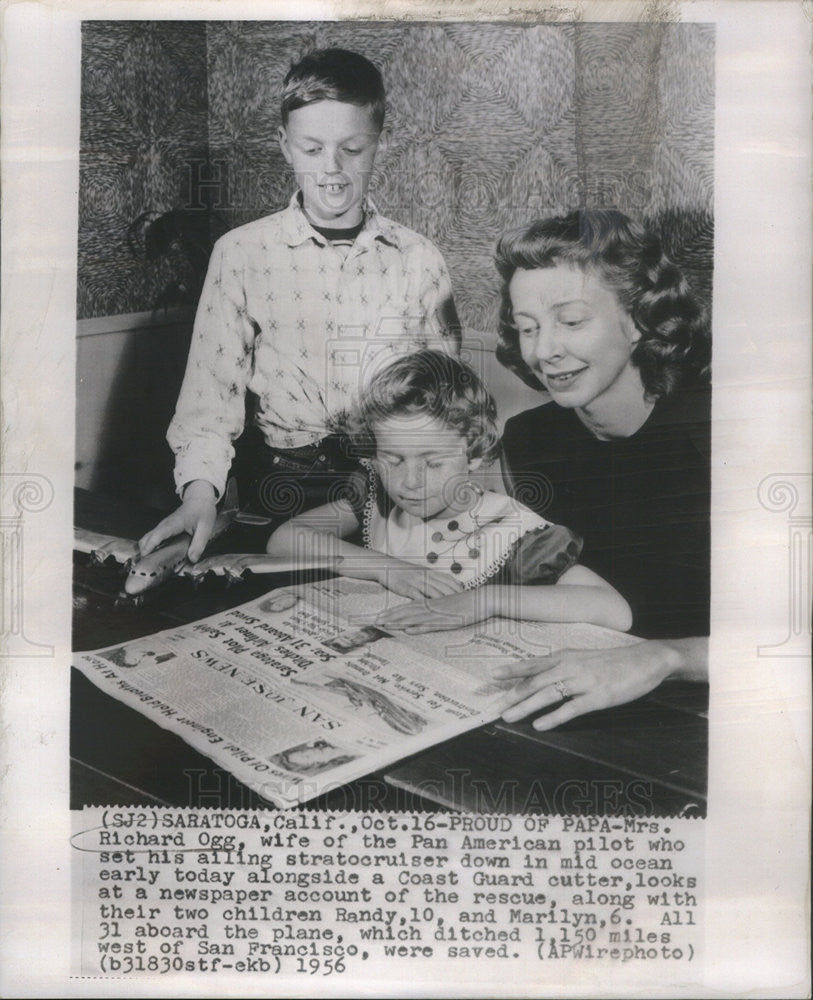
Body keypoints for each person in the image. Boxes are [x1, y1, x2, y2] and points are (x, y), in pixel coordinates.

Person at [139, 48, 460, 562]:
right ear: (284, 146)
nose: (331, 169)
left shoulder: (419, 259)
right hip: (282, 493)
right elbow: (209, 399)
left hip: (397, 491)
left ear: (382, 143)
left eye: (352, 149)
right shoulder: (241, 254)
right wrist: (199, 496)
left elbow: (449, 404)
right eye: (312, 149)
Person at [492, 209, 711, 730]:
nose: (544, 351)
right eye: (528, 328)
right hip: (583, 694)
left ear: (638, 319)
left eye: (571, 321)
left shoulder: (722, 436)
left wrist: (667, 658)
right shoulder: (529, 443)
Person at [266, 350, 632, 633]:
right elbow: (286, 538)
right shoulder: (379, 497)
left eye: (433, 462)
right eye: (392, 459)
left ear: (473, 453)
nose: (409, 481)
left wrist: (484, 601)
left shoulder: (512, 532)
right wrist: (386, 568)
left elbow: (615, 611)